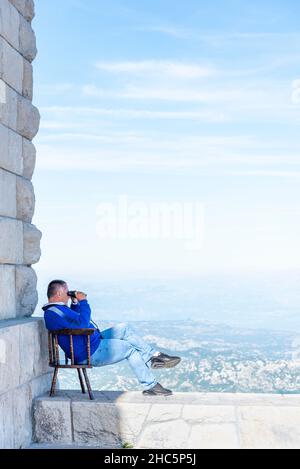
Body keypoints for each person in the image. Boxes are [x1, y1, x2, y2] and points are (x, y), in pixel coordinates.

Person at [43, 280, 181, 396]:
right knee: (130, 349)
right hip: (89, 351)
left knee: (124, 328)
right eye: (67, 293)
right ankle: (152, 385)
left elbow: (76, 320)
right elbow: (82, 323)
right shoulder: (53, 313)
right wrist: (83, 302)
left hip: (93, 341)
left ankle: (153, 356)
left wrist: (74, 303)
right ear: (60, 293)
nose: (68, 295)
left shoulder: (59, 309)